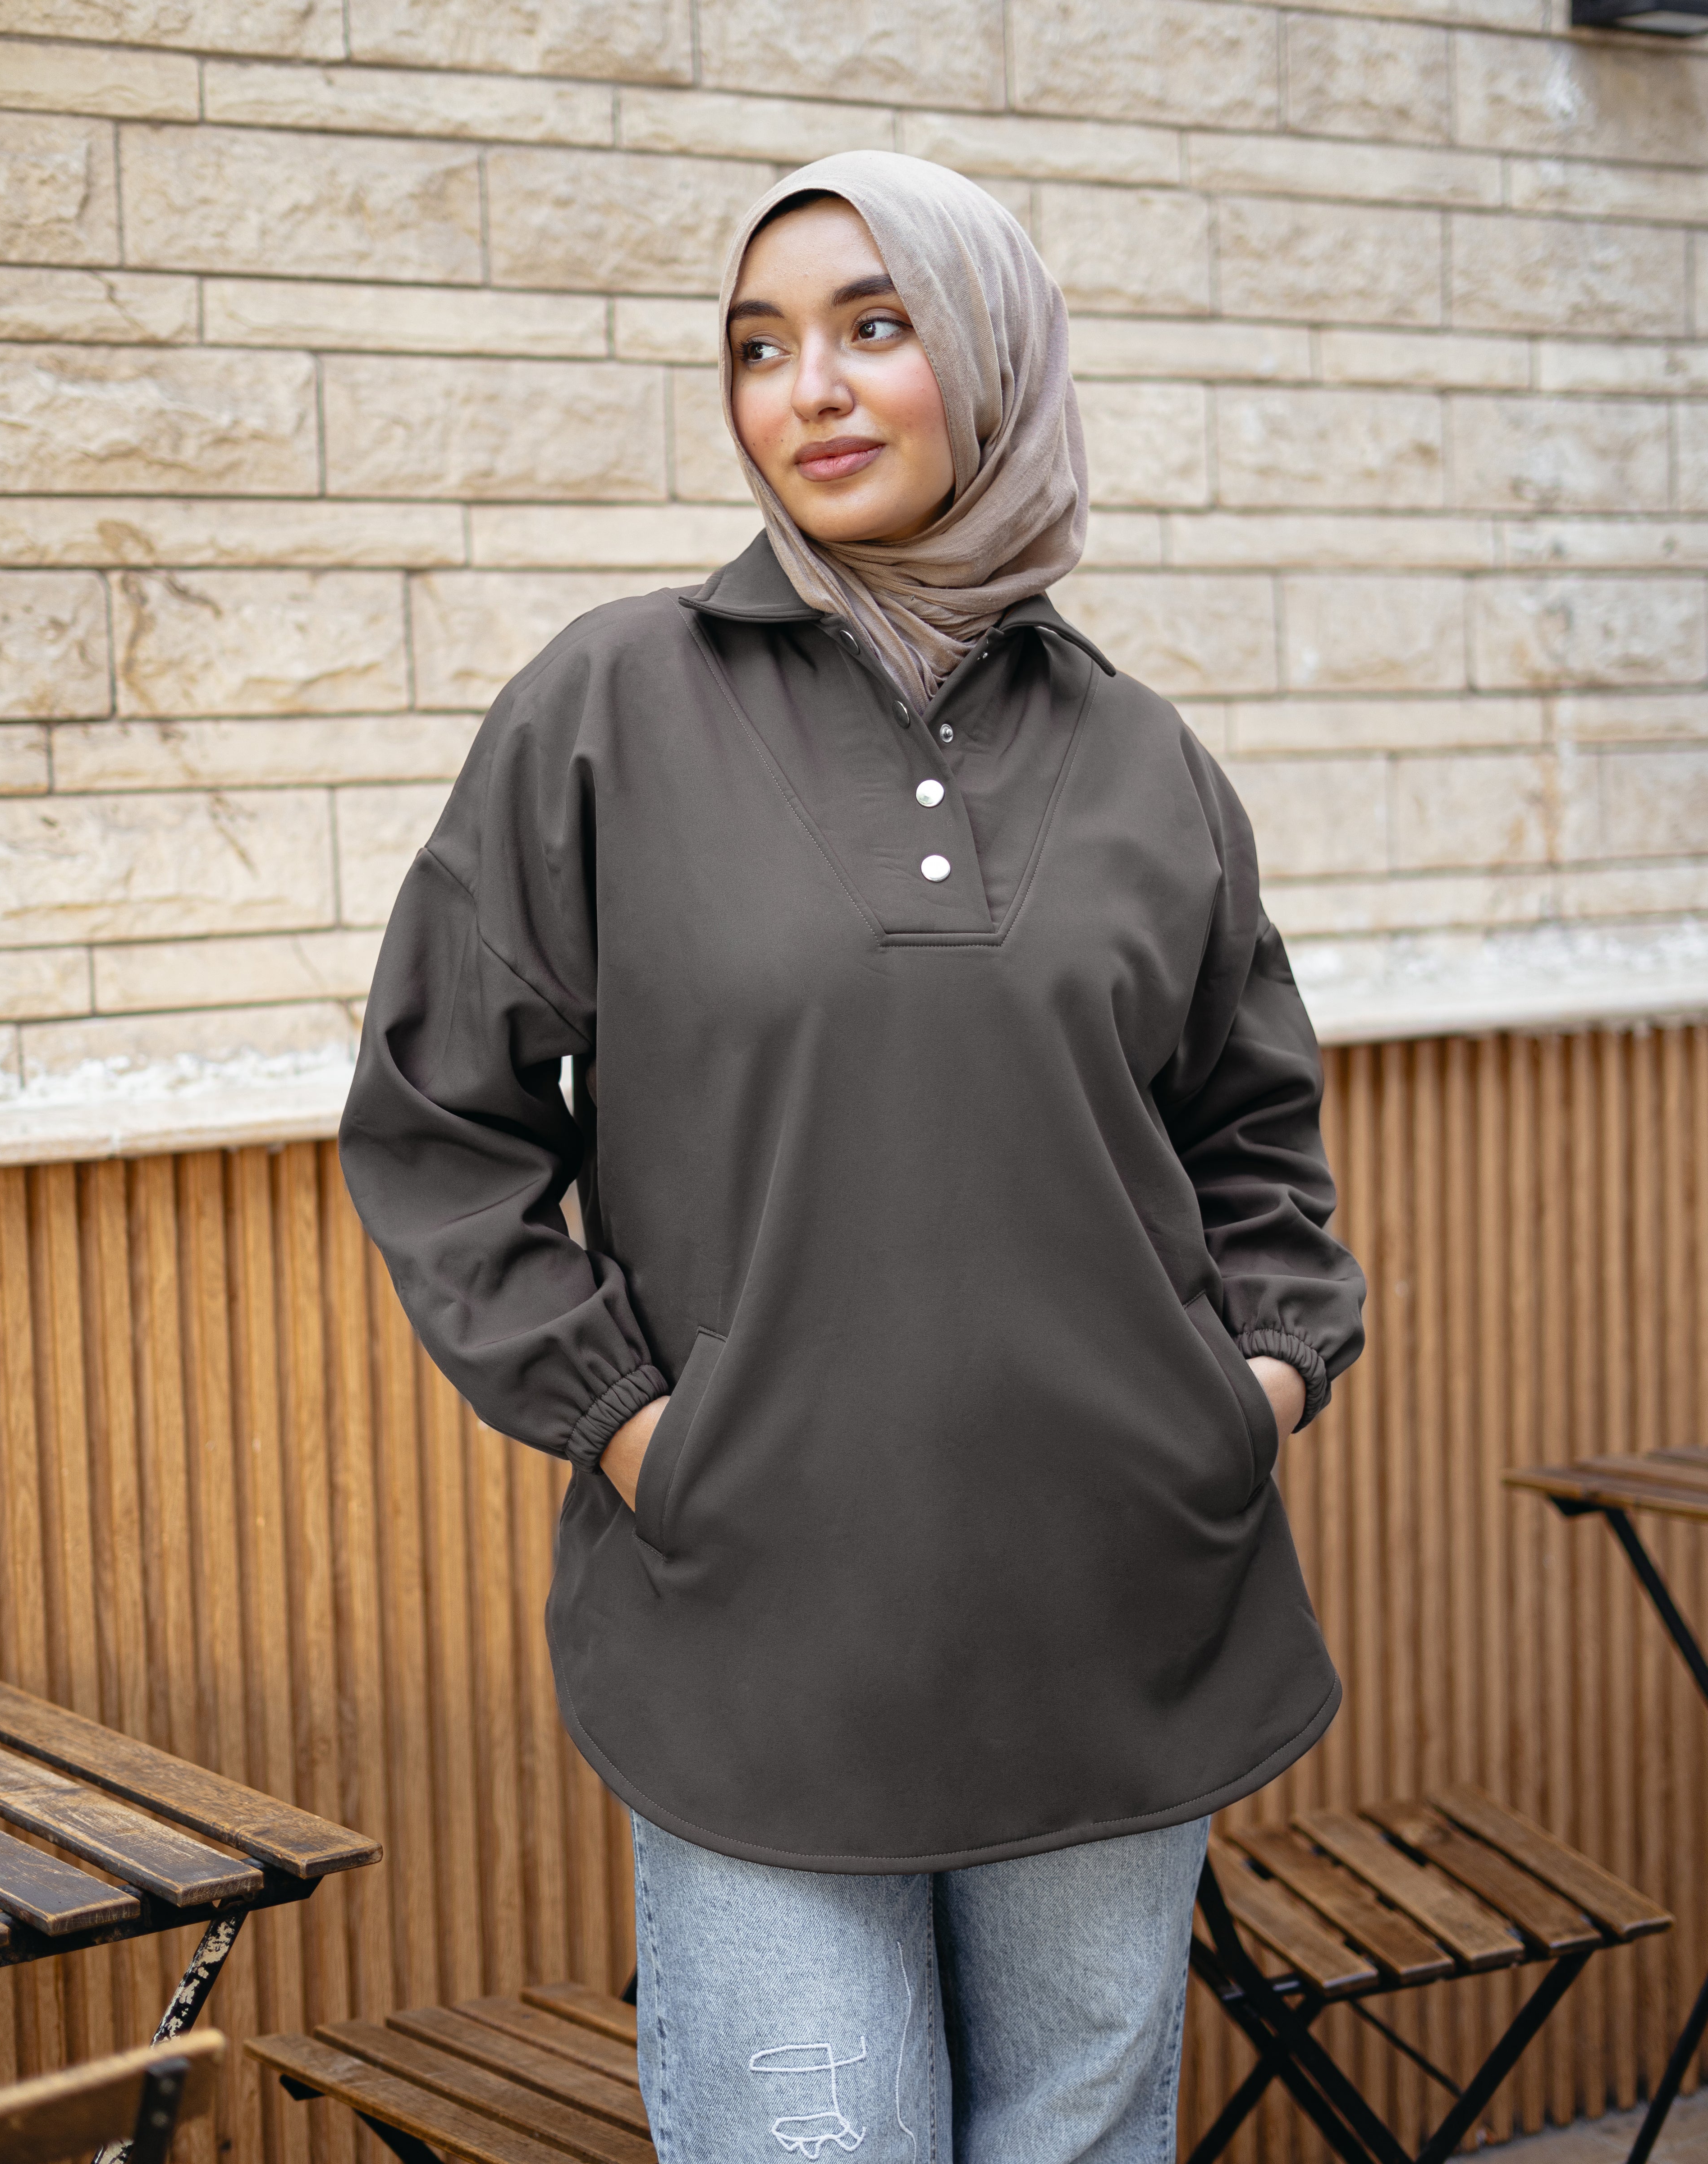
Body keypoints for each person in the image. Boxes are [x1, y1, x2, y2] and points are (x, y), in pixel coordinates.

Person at [340, 151, 1366, 2164]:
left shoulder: (1148, 757)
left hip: (1115, 1614)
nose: (803, 389)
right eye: (758, 347)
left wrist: (1243, 1396)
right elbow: (441, 1120)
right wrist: (642, 1434)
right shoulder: (608, 709)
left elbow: (1258, 1144)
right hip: (762, 1629)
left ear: (995, 361)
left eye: (873, 328)